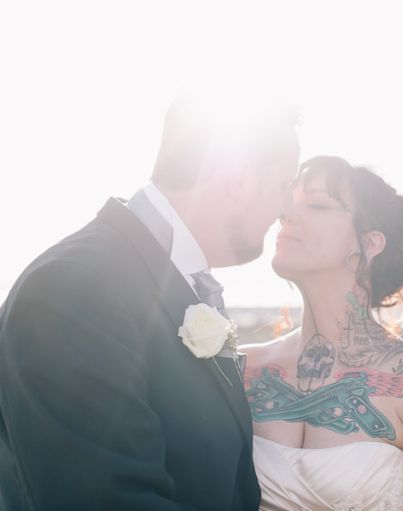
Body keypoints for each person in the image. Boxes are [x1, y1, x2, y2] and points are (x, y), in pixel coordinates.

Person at [0, 90, 300, 510]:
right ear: (240, 178)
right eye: (285, 184)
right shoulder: (74, 287)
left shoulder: (179, 286)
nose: (287, 206)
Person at [242, 156, 403, 510]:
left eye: (316, 204)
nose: (286, 214)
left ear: (369, 244)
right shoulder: (242, 368)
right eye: (289, 202)